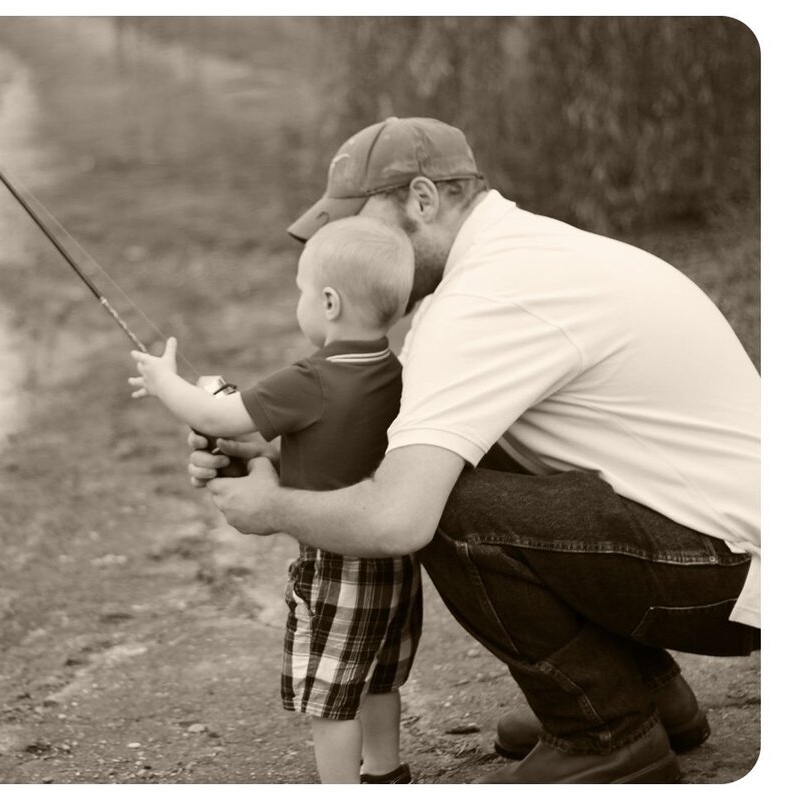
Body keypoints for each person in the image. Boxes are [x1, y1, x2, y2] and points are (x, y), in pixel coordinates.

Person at [187, 117, 760, 783]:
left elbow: (398, 517)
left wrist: (273, 507)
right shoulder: (526, 255)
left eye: (358, 224)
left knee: (447, 505)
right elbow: (390, 443)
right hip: (724, 554)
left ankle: (605, 732)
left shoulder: (481, 300)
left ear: (424, 200)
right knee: (442, 465)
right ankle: (646, 698)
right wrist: (273, 454)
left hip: (728, 577)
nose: (344, 247)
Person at [129, 217, 423, 783]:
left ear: (330, 303)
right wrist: (261, 455)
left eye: (301, 291)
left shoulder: (308, 379)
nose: (300, 301)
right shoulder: (396, 372)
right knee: (380, 675)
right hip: (392, 557)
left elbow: (213, 414)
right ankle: (385, 772)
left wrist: (165, 382)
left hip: (336, 562)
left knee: (330, 695)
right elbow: (337, 449)